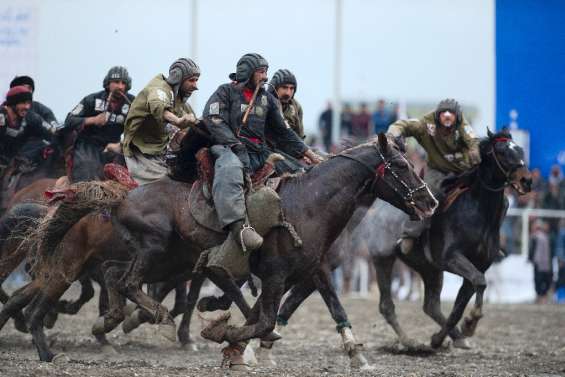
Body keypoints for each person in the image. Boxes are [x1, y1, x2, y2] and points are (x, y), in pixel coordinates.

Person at [202, 53, 320, 273]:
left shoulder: (266, 98)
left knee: (299, 172)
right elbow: (213, 119)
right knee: (231, 170)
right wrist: (234, 144)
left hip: (260, 151)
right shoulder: (225, 91)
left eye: (266, 72)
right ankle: (238, 226)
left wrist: (310, 156)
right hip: (227, 148)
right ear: (247, 72)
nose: (265, 77)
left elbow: (284, 133)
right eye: (261, 72)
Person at [387, 98, 480, 254]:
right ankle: (410, 235)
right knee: (427, 197)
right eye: (444, 113)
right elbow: (403, 124)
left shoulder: (462, 125)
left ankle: (488, 238)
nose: (448, 116)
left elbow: (472, 139)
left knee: (487, 195)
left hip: (463, 171)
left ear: (457, 116)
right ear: (438, 115)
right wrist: (392, 134)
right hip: (437, 170)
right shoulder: (426, 124)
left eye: (452, 113)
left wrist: (474, 149)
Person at [123, 58, 199, 185]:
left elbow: (192, 124)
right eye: (191, 80)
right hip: (141, 153)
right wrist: (178, 121)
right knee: (167, 186)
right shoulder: (159, 89)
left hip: (160, 152)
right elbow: (158, 106)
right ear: (178, 78)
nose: (195, 86)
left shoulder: (179, 101)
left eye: (196, 80)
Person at [63, 66, 135, 182]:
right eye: (116, 82)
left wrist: (121, 145)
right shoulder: (91, 99)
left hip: (114, 147)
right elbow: (69, 120)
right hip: (87, 146)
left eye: (123, 83)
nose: (120, 86)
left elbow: (138, 128)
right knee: (87, 169)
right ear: (108, 84)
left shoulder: (133, 103)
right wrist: (93, 120)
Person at [0, 85, 54, 176]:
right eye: (24, 103)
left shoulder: (31, 117)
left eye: (29, 103)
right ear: (13, 103)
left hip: (16, 161)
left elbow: (53, 132)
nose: (27, 107)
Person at [269, 69, 304, 139]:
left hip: (290, 147)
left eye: (291, 88)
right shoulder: (263, 103)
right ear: (275, 87)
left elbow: (299, 138)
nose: (288, 93)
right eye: (284, 87)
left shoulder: (296, 107)